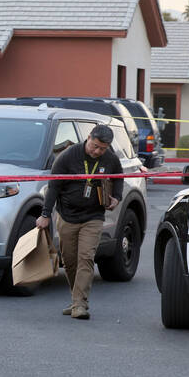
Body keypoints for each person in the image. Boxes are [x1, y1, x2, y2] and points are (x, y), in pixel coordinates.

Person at [37, 124, 123, 320]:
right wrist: (45, 214)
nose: (98, 151)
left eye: (102, 148)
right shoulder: (68, 156)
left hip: (93, 216)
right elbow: (54, 187)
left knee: (86, 257)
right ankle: (76, 299)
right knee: (69, 260)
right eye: (95, 146)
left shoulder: (109, 158)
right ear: (89, 137)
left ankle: (80, 304)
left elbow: (119, 177)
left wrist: (116, 197)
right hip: (67, 216)